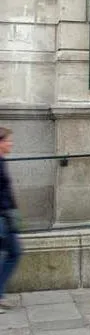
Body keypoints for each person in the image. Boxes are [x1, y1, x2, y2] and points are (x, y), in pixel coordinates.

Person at [0, 127, 21, 313]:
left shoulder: (2, 161)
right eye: (8, 140)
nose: (11, 143)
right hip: (2, 217)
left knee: (13, 253)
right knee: (14, 252)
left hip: (6, 216)